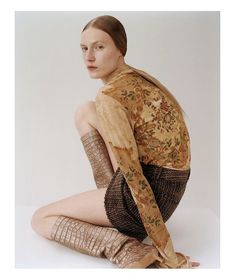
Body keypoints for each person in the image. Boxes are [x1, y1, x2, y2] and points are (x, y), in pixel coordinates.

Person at [31, 15, 200, 268]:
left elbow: (134, 175)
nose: (89, 57)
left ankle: (124, 247)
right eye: (84, 48)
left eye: (99, 47)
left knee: (40, 218)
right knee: (84, 111)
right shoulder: (136, 78)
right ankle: (109, 203)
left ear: (120, 49)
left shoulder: (110, 97)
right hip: (171, 189)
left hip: (144, 196)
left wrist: (166, 248)